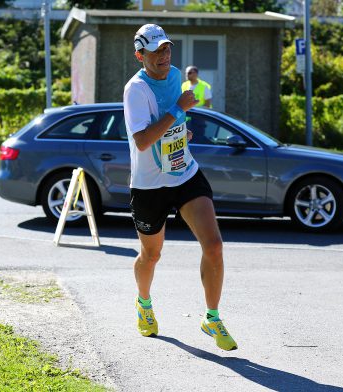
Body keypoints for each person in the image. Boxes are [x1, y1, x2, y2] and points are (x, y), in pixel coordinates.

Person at [123, 24, 237, 351]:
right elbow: (143, 141)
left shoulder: (175, 76)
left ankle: (211, 317)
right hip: (149, 186)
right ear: (140, 55)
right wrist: (178, 111)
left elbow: (174, 124)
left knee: (213, 245)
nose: (164, 55)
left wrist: (181, 132)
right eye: (156, 50)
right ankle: (144, 304)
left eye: (167, 48)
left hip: (184, 172)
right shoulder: (136, 90)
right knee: (151, 254)